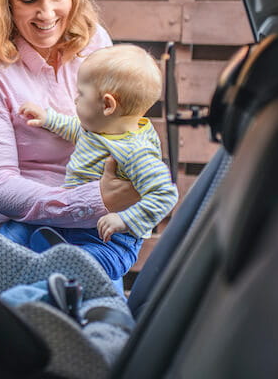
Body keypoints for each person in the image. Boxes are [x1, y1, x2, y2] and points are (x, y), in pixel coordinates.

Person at [0, 0, 140, 288]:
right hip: (22, 226)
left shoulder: (96, 42)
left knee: (92, 315)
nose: (47, 14)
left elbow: (120, 131)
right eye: (29, 0)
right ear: (4, 0)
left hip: (99, 229)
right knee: (22, 303)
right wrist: (89, 202)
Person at [19, 44, 179, 280]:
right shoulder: (101, 128)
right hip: (75, 225)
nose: (75, 99)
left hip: (109, 242)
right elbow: (76, 129)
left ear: (107, 105)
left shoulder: (136, 152)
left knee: (75, 273)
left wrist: (124, 219)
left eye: (81, 94)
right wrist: (48, 119)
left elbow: (166, 195)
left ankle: (28, 299)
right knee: (27, 244)